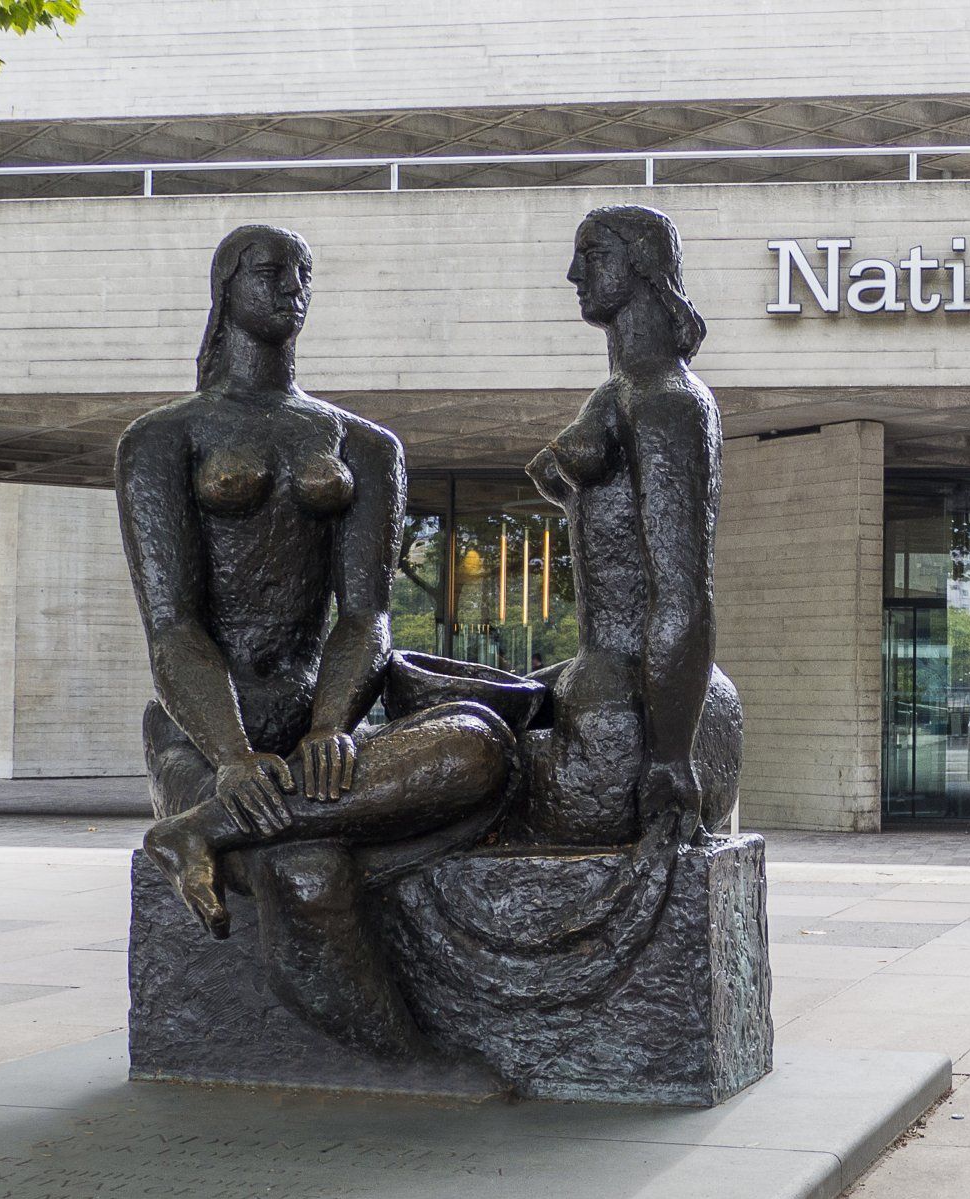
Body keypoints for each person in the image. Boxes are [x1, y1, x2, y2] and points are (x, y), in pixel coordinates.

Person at [116, 224, 517, 1060]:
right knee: (307, 872)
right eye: (271, 272)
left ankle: (202, 830)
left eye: (304, 274)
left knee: (479, 743)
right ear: (226, 287)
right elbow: (172, 625)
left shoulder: (363, 446)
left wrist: (333, 723)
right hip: (205, 738)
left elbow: (366, 617)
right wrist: (232, 754)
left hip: (321, 742)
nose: (292, 287)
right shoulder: (162, 439)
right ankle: (409, 1068)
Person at [521, 205, 740, 847]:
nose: (573, 273)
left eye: (592, 256)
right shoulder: (614, 394)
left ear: (642, 265)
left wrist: (670, 759)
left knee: (468, 760)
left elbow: (683, 594)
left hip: (637, 713)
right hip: (607, 683)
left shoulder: (669, 402)